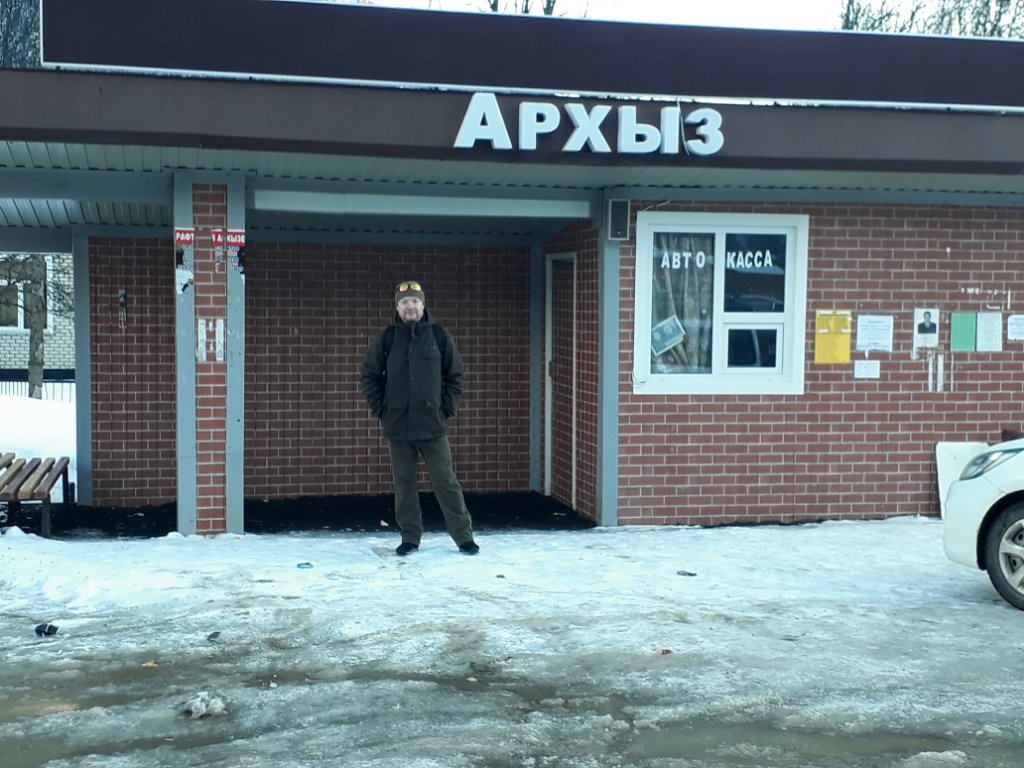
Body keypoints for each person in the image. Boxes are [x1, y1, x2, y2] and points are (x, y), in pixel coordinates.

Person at [360, 280, 479, 556]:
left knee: (446, 481)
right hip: (398, 425)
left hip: (432, 425)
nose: (410, 306)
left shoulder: (439, 336)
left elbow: (455, 375)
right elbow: (370, 376)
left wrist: (445, 409)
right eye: (404, 302)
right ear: (397, 307)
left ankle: (464, 537)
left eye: (414, 301)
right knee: (404, 484)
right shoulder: (387, 339)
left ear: (423, 305)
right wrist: (382, 410)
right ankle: (410, 538)